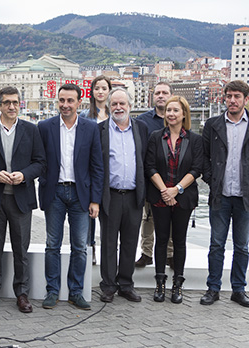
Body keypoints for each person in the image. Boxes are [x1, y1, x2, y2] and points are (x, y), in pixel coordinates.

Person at [0, 86, 46, 313]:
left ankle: (21, 294)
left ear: (20, 104)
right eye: (7, 103)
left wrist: (24, 175)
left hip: (20, 199)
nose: (12, 106)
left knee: (21, 250)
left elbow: (41, 163)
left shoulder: (32, 131)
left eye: (15, 102)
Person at [201, 80, 249, 308]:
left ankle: (238, 289)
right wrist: (211, 179)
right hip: (220, 195)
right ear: (224, 98)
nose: (232, 100)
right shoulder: (213, 125)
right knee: (216, 244)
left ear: (246, 99)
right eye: (229, 96)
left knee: (242, 245)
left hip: (245, 196)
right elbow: (203, 157)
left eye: (237, 96)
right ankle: (213, 288)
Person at [38, 83, 103, 310]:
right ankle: (52, 291)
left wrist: (95, 199)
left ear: (79, 102)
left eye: (70, 101)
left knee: (80, 247)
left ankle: (76, 291)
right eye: (62, 100)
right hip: (54, 192)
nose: (65, 105)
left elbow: (97, 166)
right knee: (52, 245)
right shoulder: (44, 127)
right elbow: (39, 161)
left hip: (80, 194)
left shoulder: (90, 128)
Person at [145, 96, 203, 304]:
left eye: (176, 110)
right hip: (160, 196)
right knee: (161, 240)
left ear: (184, 114)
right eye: (169, 110)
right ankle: (160, 283)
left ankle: (177, 284)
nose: (171, 114)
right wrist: (165, 191)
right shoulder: (155, 137)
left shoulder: (195, 140)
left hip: (183, 197)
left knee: (179, 241)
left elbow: (197, 169)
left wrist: (176, 190)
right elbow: (149, 166)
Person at [97, 87, 148, 304]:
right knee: (109, 242)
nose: (119, 107)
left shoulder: (141, 129)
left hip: (134, 196)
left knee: (130, 242)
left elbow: (146, 160)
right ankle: (108, 286)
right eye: (114, 104)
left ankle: (126, 284)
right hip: (110, 195)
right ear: (109, 106)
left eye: (122, 104)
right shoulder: (99, 131)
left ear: (130, 106)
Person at [135, 82, 173, 268]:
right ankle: (146, 252)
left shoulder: (177, 118)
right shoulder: (142, 121)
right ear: (153, 96)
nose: (161, 96)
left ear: (170, 95)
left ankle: (170, 254)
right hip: (149, 177)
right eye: (157, 92)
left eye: (164, 92)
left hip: (172, 178)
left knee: (172, 216)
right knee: (147, 217)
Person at [79, 75, 112, 265]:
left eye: (104, 88)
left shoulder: (114, 114)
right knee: (88, 212)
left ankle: (106, 252)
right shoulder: (85, 116)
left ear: (109, 91)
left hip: (109, 170)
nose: (100, 91)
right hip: (90, 170)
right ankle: (89, 248)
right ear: (92, 92)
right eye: (97, 88)